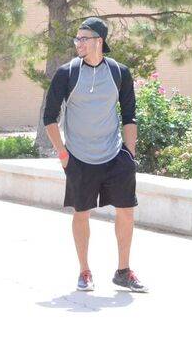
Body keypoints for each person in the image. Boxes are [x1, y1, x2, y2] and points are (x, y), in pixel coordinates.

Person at [43, 17, 147, 293]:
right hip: (78, 156)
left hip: (115, 154)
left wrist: (130, 154)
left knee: (126, 211)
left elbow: (130, 115)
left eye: (83, 38)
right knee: (81, 213)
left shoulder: (119, 72)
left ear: (99, 41)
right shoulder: (67, 73)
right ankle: (84, 271)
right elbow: (49, 117)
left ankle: (123, 271)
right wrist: (63, 154)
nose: (78, 43)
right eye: (76, 38)